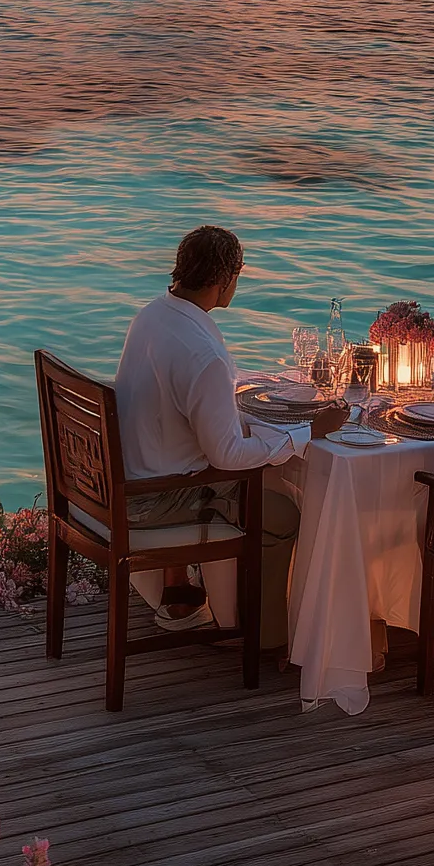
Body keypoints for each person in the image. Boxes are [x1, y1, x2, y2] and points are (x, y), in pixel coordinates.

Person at [115, 225, 342, 647]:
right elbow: (228, 456)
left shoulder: (150, 315)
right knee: (283, 512)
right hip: (158, 500)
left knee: (276, 478)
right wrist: (309, 432)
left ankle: (186, 594)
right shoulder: (205, 355)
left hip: (132, 476)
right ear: (226, 280)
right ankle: (258, 634)